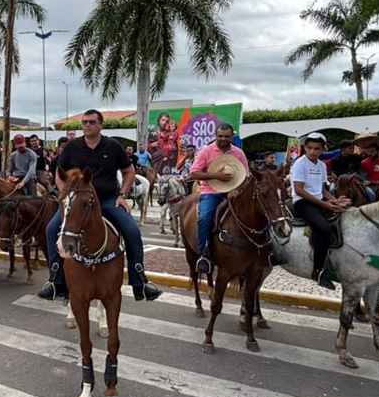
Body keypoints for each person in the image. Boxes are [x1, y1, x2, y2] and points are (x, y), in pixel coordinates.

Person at [38, 109, 161, 302]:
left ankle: (140, 282)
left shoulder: (113, 146)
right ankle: (56, 281)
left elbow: (128, 171)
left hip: (107, 201)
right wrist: (64, 194)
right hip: (79, 203)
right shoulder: (72, 147)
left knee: (132, 231)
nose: (87, 125)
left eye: (92, 122)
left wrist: (122, 195)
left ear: (101, 125)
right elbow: (59, 174)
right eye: (85, 122)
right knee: (51, 229)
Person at [290, 133, 351, 289]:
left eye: (317, 148)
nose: (312, 151)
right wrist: (325, 205)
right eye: (309, 148)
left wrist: (335, 201)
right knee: (323, 228)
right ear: (304, 148)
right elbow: (299, 190)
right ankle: (318, 270)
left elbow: (322, 191)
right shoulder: (299, 163)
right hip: (302, 202)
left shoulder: (322, 165)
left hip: (318, 201)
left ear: (322, 149)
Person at [189, 123, 251, 274]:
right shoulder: (206, 151)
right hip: (211, 191)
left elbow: (246, 176)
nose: (223, 139)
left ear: (232, 137)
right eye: (220, 136)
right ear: (215, 136)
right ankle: (203, 254)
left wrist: (236, 189)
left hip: (233, 192)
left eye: (227, 136)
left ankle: (265, 249)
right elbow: (194, 173)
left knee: (256, 212)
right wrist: (215, 176)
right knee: (204, 218)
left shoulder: (239, 153)